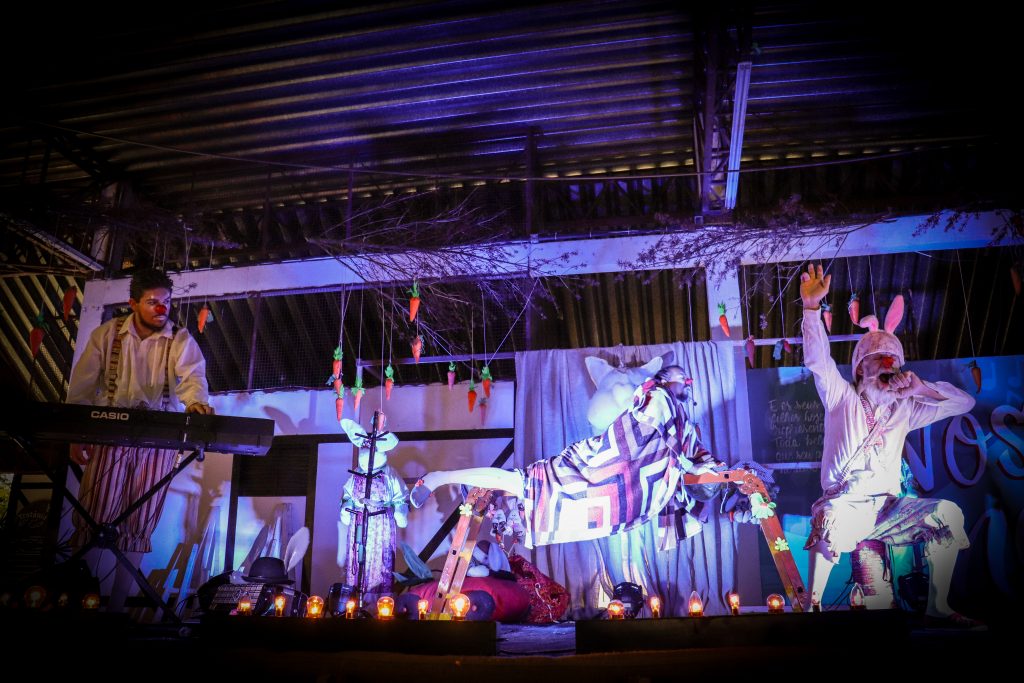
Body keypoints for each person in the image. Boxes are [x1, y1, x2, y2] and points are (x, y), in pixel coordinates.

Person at [799, 262, 980, 627]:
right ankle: (811, 609)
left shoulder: (905, 408)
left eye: (894, 363)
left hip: (889, 510)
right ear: (859, 369)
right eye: (879, 361)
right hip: (846, 507)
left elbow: (965, 403)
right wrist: (811, 309)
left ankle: (937, 605)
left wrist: (920, 389)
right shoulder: (841, 398)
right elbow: (818, 361)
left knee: (947, 514)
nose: (888, 366)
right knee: (829, 518)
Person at [410, 365, 722, 548]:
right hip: (598, 466)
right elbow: (649, 430)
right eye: (683, 378)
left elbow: (691, 451)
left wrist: (708, 469)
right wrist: (683, 463)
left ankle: (444, 478)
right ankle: (440, 477)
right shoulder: (658, 396)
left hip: (620, 483)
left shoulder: (681, 418)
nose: (688, 383)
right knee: (522, 482)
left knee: (530, 488)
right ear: (668, 379)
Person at [66, 268, 213, 612]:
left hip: (159, 439)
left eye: (166, 301)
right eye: (152, 302)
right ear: (133, 304)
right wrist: (75, 434)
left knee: (140, 520)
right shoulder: (107, 335)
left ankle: (117, 608)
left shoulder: (180, 339)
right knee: (94, 514)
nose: (162, 309)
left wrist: (195, 402)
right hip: (110, 433)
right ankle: (75, 599)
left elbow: (193, 376)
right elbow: (82, 386)